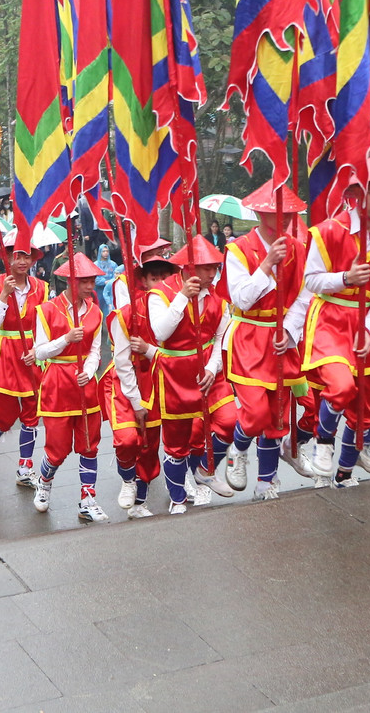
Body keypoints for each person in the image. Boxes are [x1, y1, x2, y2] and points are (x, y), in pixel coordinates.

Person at [300, 159, 370, 487]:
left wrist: (369, 324)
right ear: (356, 195)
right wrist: (345, 278)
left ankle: (347, 468)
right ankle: (323, 443)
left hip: (367, 324)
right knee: (341, 387)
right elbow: (311, 280)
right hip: (331, 320)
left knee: (368, 406)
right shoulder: (329, 231)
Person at [221, 182, 313, 500]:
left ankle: (267, 482)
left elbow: (305, 295)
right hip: (248, 337)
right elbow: (241, 299)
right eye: (278, 211)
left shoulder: (300, 249)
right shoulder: (238, 249)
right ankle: (238, 448)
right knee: (256, 412)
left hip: (282, 339)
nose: (285, 217)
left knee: (277, 416)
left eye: (289, 212)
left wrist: (289, 329)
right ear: (260, 213)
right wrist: (266, 264)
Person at [148, 235, 239, 511]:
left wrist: (212, 367)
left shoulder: (218, 300)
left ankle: (204, 469)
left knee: (230, 421)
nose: (212, 274)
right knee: (176, 445)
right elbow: (160, 333)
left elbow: (221, 338)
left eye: (215, 267)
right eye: (207, 267)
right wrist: (182, 297)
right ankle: (177, 498)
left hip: (209, 373)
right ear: (189, 267)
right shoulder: (159, 294)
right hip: (174, 375)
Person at [31, 253, 107, 522]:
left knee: (89, 445)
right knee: (58, 449)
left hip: (86, 385)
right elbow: (40, 352)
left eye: (92, 281)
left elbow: (96, 350)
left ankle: (88, 499)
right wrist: (66, 339)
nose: (90, 286)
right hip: (57, 384)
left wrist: (89, 370)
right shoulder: (46, 310)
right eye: (84, 281)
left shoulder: (96, 312)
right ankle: (44, 482)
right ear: (69, 281)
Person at [106, 249, 178, 517]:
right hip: (127, 384)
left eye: (164, 277)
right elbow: (122, 362)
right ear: (144, 281)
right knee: (127, 440)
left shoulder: (177, 312)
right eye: (153, 278)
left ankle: (140, 502)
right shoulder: (126, 314)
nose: (159, 283)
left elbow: (178, 355)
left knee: (149, 446)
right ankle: (127, 479)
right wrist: (136, 401)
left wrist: (149, 350)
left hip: (158, 381)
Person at [0, 236, 48, 481]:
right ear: (6, 257)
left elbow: (45, 324)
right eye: (17, 255)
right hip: (6, 352)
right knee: (5, 417)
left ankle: (25, 467)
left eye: (27, 255)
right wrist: (5, 295)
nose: (22, 261)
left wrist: (38, 350)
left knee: (32, 412)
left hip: (32, 354)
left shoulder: (41, 287)